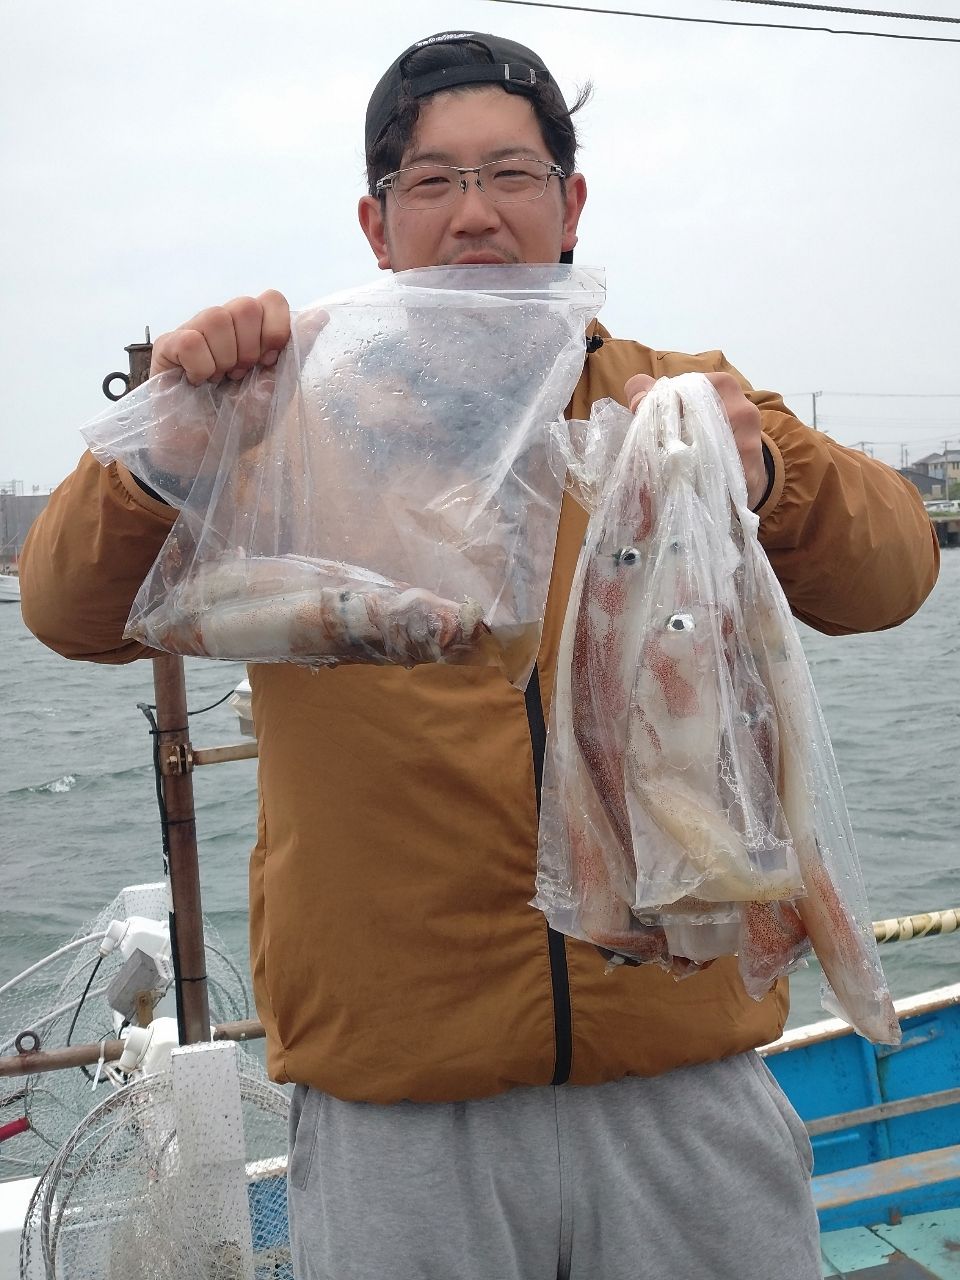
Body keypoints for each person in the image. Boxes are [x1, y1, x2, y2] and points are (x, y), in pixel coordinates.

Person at [21, 30, 939, 1280]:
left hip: (681, 1073)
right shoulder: (277, 416)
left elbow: (892, 572)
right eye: (432, 180)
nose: (474, 213)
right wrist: (170, 441)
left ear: (572, 204)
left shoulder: (676, 399)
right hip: (400, 1109)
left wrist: (773, 470)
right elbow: (68, 608)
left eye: (511, 173)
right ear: (376, 222)